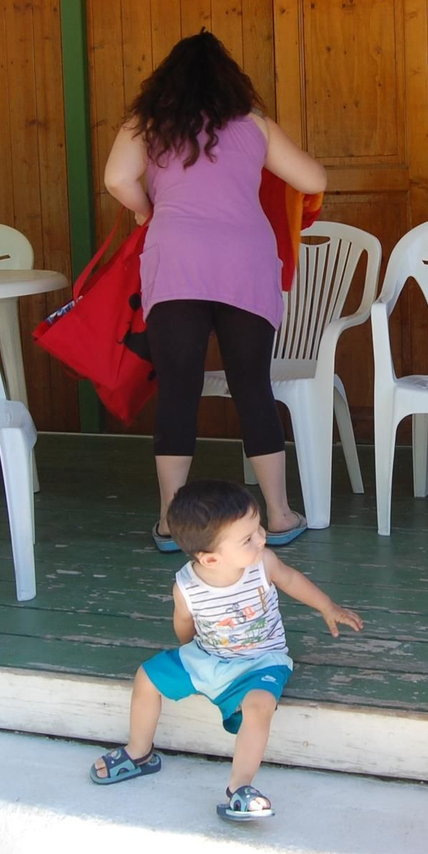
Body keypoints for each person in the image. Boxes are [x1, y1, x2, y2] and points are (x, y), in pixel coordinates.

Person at [104, 31, 327, 552]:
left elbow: (117, 177)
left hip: (176, 262)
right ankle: (278, 513)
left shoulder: (150, 122)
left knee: (178, 391)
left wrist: (148, 206)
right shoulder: (252, 123)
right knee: (253, 387)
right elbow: (313, 177)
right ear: (230, 78)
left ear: (167, 80)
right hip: (244, 264)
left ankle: (168, 522)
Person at [87, 479, 363, 821]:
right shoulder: (186, 585)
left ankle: (240, 787)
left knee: (259, 705)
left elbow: (291, 580)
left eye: (258, 527)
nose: (261, 538)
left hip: (264, 659)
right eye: (248, 539)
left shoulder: (263, 563)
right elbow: (183, 624)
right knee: (146, 677)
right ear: (210, 558)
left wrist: (327, 606)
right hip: (208, 655)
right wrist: (189, 657)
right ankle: (139, 752)